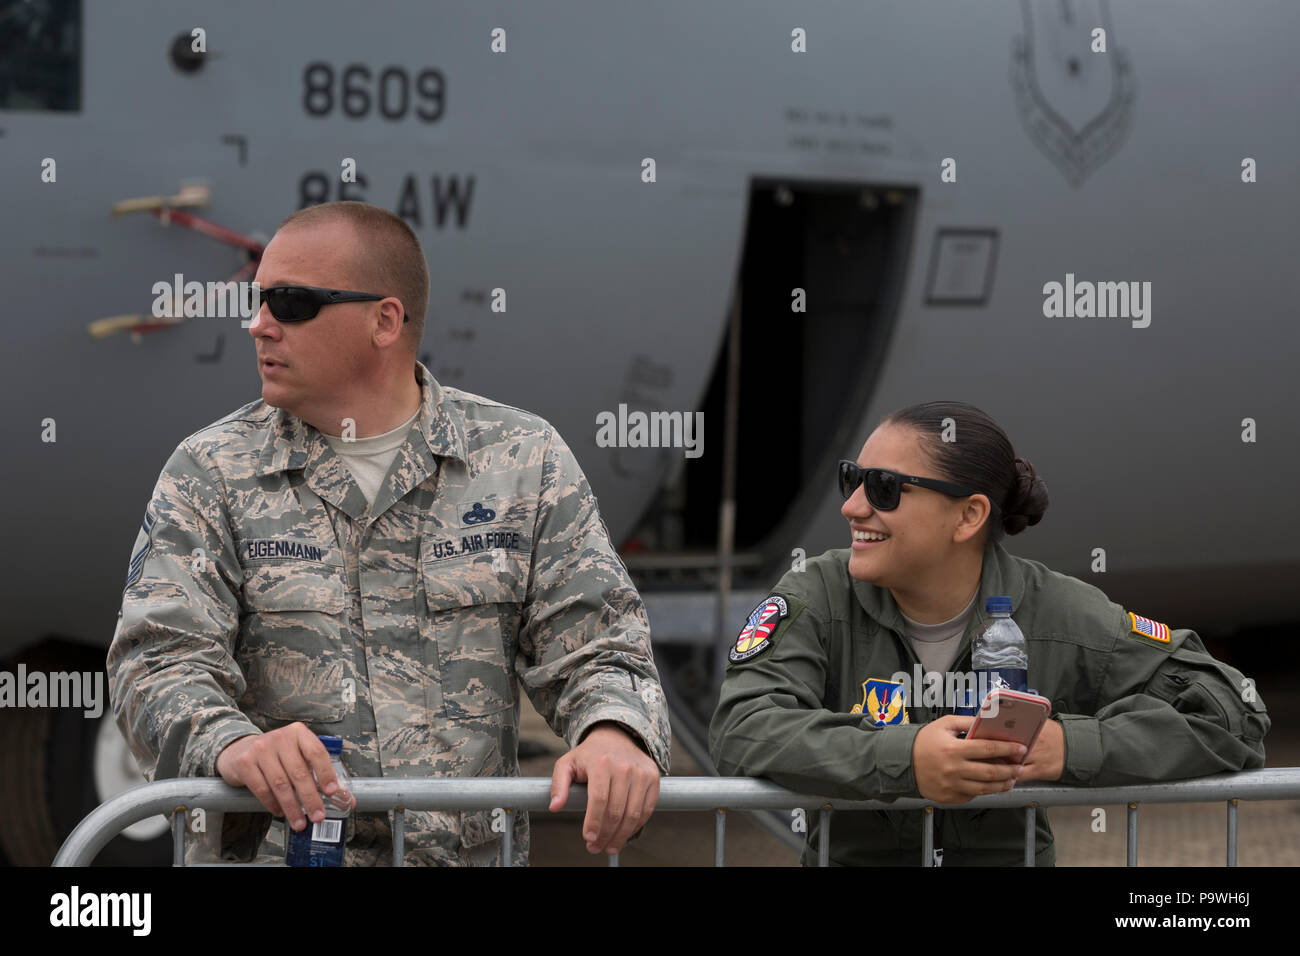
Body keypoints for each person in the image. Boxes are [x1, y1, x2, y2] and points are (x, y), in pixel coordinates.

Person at [108, 200, 670, 866]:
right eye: (258, 301)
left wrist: (612, 732)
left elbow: (599, 642)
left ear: (384, 320)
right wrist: (231, 743)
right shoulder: (212, 473)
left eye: (289, 303)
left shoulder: (522, 461)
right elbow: (157, 662)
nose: (258, 325)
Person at [709, 401, 1269, 866]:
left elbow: (1230, 712)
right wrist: (904, 758)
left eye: (883, 488)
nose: (852, 506)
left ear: (969, 516)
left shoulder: (1058, 612)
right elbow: (742, 726)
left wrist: (1068, 746)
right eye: (851, 478)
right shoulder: (820, 593)